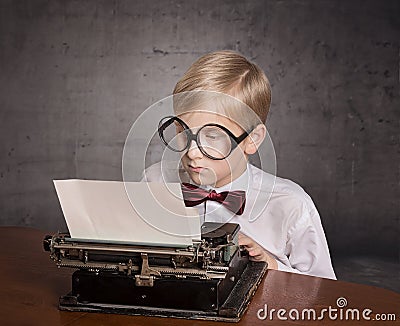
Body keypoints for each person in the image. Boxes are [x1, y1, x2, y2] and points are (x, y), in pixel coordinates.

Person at [143, 50, 336, 280]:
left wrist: (271, 266)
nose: (192, 152)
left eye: (213, 136)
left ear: (252, 139)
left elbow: (323, 289)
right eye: (183, 132)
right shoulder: (155, 180)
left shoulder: (291, 205)